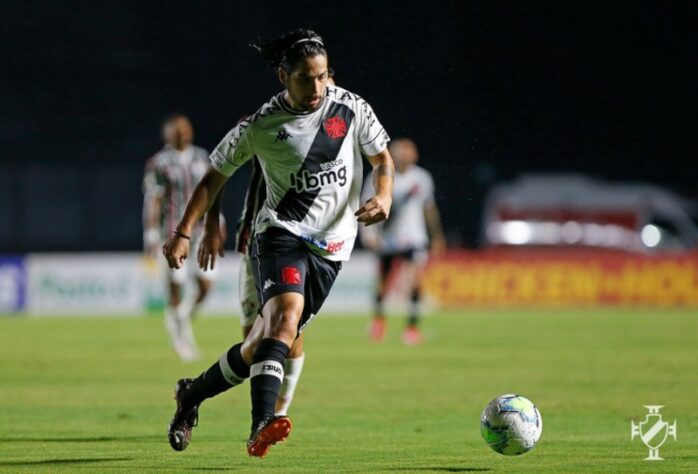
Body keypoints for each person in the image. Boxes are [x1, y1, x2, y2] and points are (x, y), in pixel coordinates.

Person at [162, 29, 393, 458]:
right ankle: (262, 423)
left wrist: (384, 195)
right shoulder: (260, 126)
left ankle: (192, 393)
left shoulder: (351, 107)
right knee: (284, 322)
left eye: (323, 77)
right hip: (279, 235)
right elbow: (213, 177)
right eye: (306, 78)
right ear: (283, 77)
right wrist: (183, 232)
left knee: (258, 346)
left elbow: (382, 159)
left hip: (333, 248)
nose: (317, 87)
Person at [198, 72, 337, 417]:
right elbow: (219, 170)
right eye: (314, 82)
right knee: (255, 340)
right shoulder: (266, 125)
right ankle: (195, 393)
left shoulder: (342, 128)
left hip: (307, 244)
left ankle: (276, 415)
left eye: (328, 84)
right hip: (258, 239)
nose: (321, 92)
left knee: (287, 326)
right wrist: (210, 221)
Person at [143, 114, 220, 362]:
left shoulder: (201, 156)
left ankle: (181, 318)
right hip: (172, 234)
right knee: (175, 285)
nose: (182, 134)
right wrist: (151, 234)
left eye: (185, 130)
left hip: (200, 232)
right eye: (176, 131)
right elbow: (153, 199)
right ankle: (181, 337)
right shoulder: (159, 163)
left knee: (206, 285)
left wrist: (218, 223)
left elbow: (212, 192)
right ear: (167, 134)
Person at [359, 138, 445, 345]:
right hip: (387, 239)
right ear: (393, 154)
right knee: (383, 283)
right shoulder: (381, 175)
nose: (406, 156)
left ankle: (412, 328)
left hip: (414, 237)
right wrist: (369, 235)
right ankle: (379, 321)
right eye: (401, 152)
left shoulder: (422, 178)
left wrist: (436, 235)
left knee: (415, 281)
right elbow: (367, 205)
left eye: (409, 152)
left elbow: (429, 208)